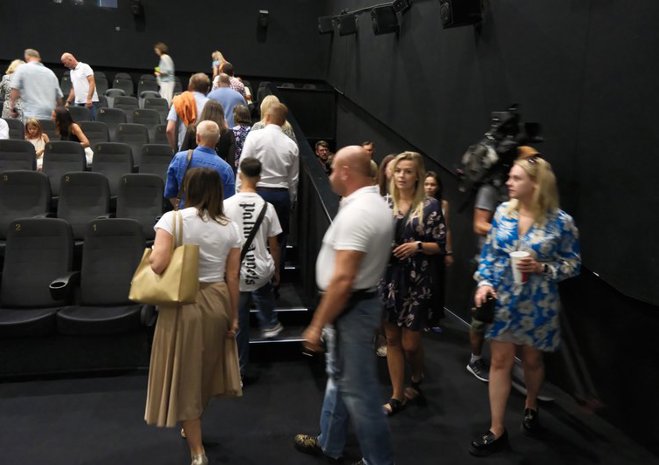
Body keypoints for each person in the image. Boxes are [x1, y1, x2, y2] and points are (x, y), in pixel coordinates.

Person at [468, 155, 581, 456]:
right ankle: (497, 429)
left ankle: (531, 405)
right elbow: (490, 254)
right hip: (504, 300)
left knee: (532, 361)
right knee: (499, 362)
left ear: (536, 183)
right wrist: (485, 282)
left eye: (516, 178)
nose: (508, 182)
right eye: (510, 177)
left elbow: (573, 264)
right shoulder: (503, 212)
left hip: (538, 304)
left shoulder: (562, 222)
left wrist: (543, 268)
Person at [294, 145, 395, 465]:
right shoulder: (372, 203)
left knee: (361, 396)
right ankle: (330, 443)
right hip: (357, 305)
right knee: (341, 381)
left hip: (351, 307)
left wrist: (316, 325)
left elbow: (343, 279)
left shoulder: (359, 212)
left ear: (347, 172)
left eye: (334, 169)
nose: (330, 174)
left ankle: (378, 461)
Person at [145, 167, 243, 465]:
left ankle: (197, 451)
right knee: (205, 371)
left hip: (182, 302)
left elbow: (158, 264)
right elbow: (233, 276)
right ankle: (192, 424)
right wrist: (234, 316)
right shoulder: (230, 227)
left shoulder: (172, 220)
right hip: (218, 301)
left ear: (189, 188)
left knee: (185, 375)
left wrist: (150, 256)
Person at [379, 151, 446, 416]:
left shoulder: (430, 205)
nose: (402, 176)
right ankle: (397, 395)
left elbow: (439, 245)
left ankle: (417, 375)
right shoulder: (384, 203)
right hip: (389, 278)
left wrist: (417, 246)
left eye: (408, 171)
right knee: (392, 339)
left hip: (418, 280)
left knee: (410, 343)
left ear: (417, 175)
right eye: (398, 171)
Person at [224, 158, 284, 379]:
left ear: (239, 175)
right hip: (260, 271)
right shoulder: (267, 208)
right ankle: (269, 320)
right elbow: (274, 245)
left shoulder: (226, 205)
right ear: (260, 177)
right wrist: (277, 271)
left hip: (235, 274)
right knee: (263, 284)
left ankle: (239, 370)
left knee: (238, 323)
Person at [237, 102, 299, 285]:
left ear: (267, 117)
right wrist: (291, 200)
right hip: (281, 195)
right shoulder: (291, 145)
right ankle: (276, 279)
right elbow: (293, 180)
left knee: (252, 236)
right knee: (279, 240)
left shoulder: (254, 136)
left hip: (257, 191)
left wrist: (239, 191)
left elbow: (243, 166)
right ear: (283, 121)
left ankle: (252, 278)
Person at [165, 120, 235, 209]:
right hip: (211, 216)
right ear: (218, 139)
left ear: (197, 137)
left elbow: (170, 193)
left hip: (183, 213)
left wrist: (181, 208)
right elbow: (228, 202)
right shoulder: (226, 169)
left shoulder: (179, 158)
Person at [423, 171, 454, 332]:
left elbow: (446, 229)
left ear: (438, 187)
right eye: (426, 184)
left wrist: (449, 252)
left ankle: (432, 319)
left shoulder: (444, 204)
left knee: (436, 284)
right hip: (422, 247)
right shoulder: (418, 201)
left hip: (437, 248)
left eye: (432, 184)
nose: (429, 187)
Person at [9, 49, 62, 120]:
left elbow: (15, 89)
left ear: (27, 57)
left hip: (32, 114)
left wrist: (12, 108)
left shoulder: (22, 68)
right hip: (50, 115)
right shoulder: (50, 73)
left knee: (32, 127)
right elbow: (59, 98)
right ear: (39, 58)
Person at [180, 100, 236, 166]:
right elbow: (231, 161)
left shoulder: (192, 130)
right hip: (217, 169)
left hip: (193, 168)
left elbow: (183, 151)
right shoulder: (228, 134)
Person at [166, 73, 210, 151]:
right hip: (204, 150)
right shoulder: (211, 104)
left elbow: (169, 129)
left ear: (190, 86)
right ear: (208, 89)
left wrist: (174, 149)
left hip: (184, 150)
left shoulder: (180, 100)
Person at [60, 52, 99, 120]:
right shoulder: (71, 72)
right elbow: (73, 88)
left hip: (89, 102)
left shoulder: (85, 67)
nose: (65, 65)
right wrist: (68, 102)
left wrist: (89, 99)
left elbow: (92, 83)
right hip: (78, 103)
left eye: (65, 63)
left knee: (90, 122)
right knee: (79, 123)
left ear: (70, 59)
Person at [231, 104, 252, 170]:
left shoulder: (232, 131)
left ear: (235, 117)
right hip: (249, 165)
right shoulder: (253, 131)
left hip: (235, 166)